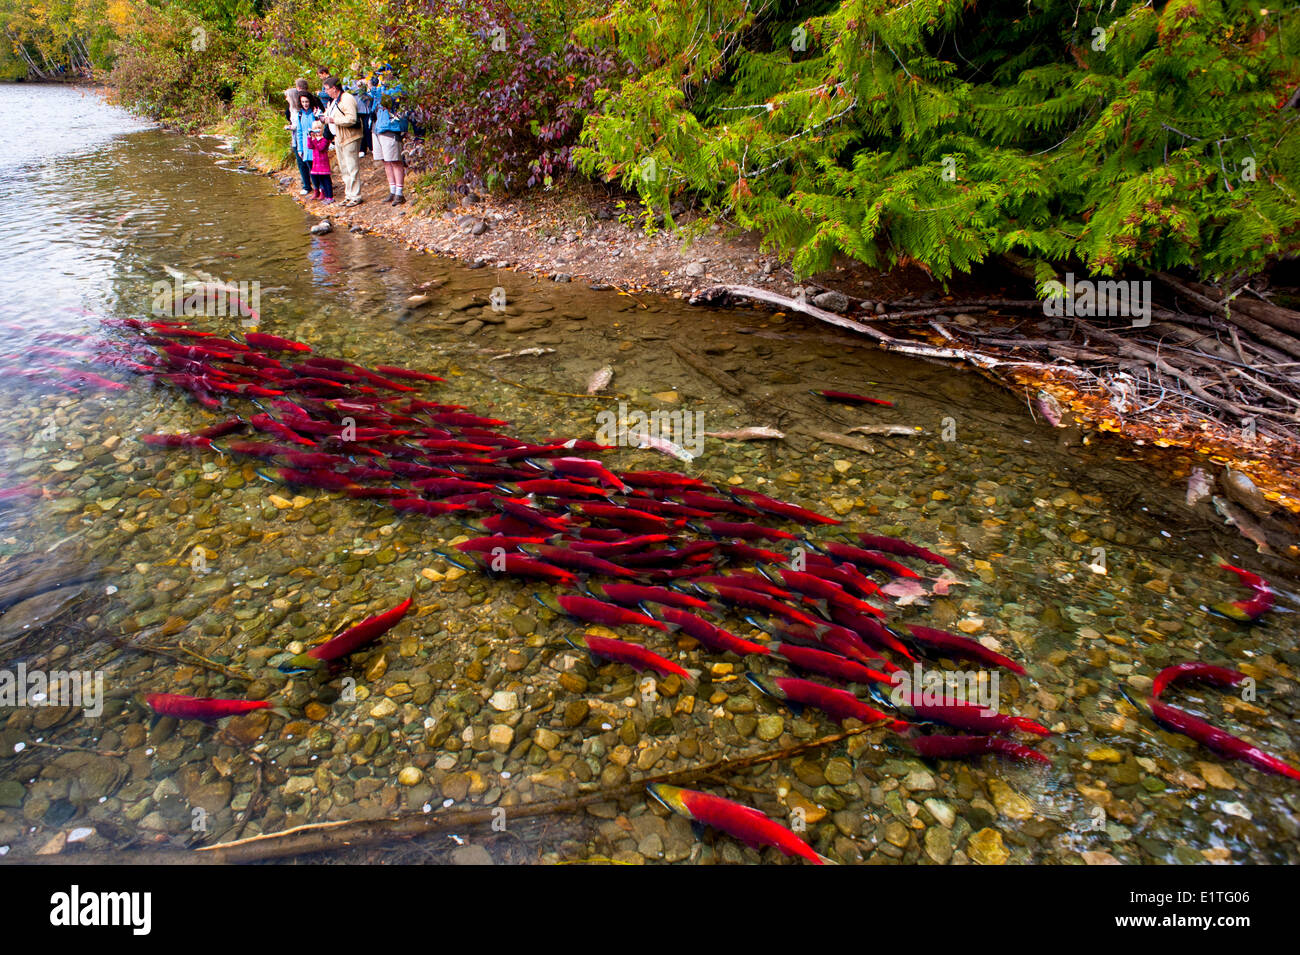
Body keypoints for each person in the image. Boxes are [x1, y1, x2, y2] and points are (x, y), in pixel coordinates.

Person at [322, 76, 363, 205]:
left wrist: (333, 121)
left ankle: (356, 196)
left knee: (352, 167)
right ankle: (349, 194)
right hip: (339, 138)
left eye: (327, 89)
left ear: (334, 88)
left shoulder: (347, 98)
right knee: (344, 168)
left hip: (350, 137)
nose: (326, 92)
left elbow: (351, 119)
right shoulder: (334, 101)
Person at [371, 74, 409, 204]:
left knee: (395, 160)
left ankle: (399, 193)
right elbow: (372, 105)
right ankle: (392, 190)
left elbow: (389, 100)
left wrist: (377, 90)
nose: (381, 77)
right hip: (378, 127)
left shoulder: (398, 88)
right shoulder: (379, 89)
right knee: (385, 161)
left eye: (383, 74)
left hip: (391, 127)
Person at [285, 90, 319, 195]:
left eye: (307, 102)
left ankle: (321, 188)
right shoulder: (300, 114)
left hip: (315, 143)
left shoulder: (315, 112)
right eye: (303, 102)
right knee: (309, 167)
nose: (305, 104)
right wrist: (300, 148)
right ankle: (316, 189)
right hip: (305, 144)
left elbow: (320, 127)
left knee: (317, 167)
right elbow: (299, 132)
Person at [308, 121, 334, 202]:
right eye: (315, 129)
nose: (317, 131)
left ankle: (330, 196)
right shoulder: (315, 139)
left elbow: (321, 148)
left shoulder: (324, 139)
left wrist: (314, 140)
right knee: (321, 180)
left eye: (319, 129)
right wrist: (310, 137)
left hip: (323, 163)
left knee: (326, 180)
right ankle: (326, 196)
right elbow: (310, 146)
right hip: (316, 163)